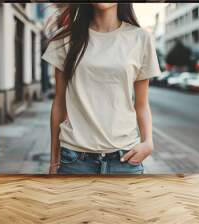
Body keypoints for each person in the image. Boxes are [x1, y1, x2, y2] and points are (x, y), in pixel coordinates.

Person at [42, 3, 161, 174]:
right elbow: (59, 103)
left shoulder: (141, 38)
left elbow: (142, 104)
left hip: (125, 160)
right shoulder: (65, 39)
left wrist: (148, 142)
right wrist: (54, 161)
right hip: (75, 160)